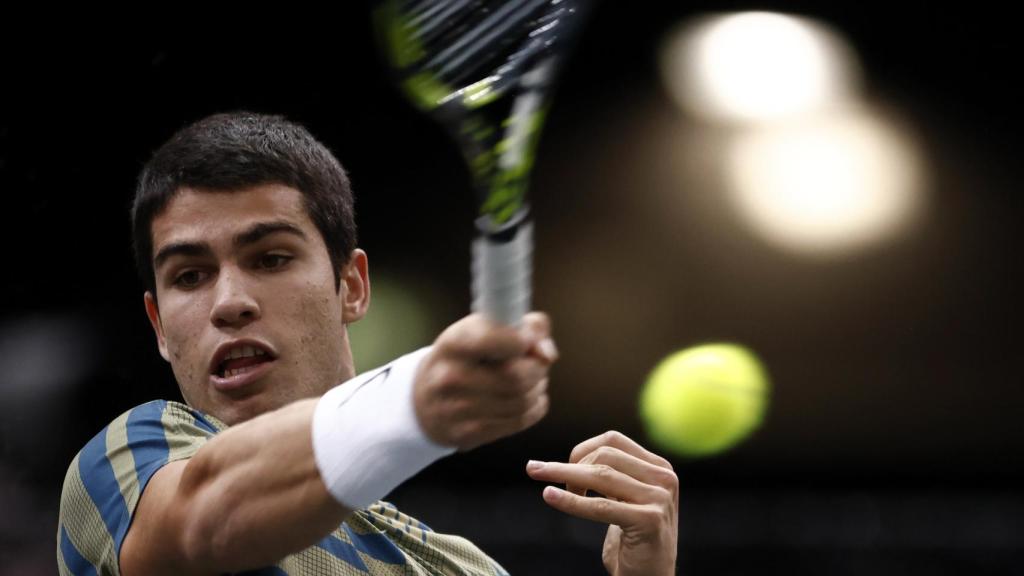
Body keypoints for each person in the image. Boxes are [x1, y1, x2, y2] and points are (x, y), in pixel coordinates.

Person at [57, 112, 679, 575]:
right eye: (189, 276)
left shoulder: (458, 567)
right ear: (160, 326)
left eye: (270, 258)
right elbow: (203, 519)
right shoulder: (126, 462)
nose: (228, 303)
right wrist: (415, 400)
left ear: (351, 286)